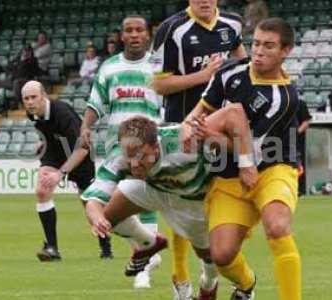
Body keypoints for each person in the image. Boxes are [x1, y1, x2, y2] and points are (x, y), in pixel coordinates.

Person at [184, 18, 301, 300]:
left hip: (273, 168)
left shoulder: (284, 98)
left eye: (269, 46)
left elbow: (250, 149)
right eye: (256, 43)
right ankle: (247, 284)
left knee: (277, 225)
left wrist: (208, 135)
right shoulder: (230, 72)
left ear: (286, 51)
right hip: (227, 175)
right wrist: (190, 128)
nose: (259, 51)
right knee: (221, 255)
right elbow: (199, 112)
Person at [88, 116, 253, 299]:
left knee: (208, 255)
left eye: (141, 156)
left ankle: (208, 283)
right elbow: (93, 200)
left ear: (156, 147)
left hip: (194, 201)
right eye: (129, 157)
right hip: (155, 190)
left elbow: (233, 116)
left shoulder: (185, 141)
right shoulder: (121, 156)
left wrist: (246, 164)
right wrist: (97, 218)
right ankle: (149, 243)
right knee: (108, 215)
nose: (134, 164)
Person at [151, 0, 247, 296]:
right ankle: (180, 277)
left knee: (213, 201)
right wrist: (204, 77)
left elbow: (243, 64)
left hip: (216, 128)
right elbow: (159, 85)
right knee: (180, 200)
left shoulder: (232, 24)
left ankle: (209, 270)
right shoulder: (171, 30)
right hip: (182, 127)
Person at [79, 15, 164, 288]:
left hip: (152, 146)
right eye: (129, 30)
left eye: (140, 29)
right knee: (108, 205)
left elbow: (170, 103)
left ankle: (143, 271)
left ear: (148, 34)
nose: (135, 34)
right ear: (122, 36)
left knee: (143, 199)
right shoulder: (108, 68)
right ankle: (148, 248)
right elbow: (96, 104)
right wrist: (85, 128)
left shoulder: (160, 66)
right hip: (117, 148)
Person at [21, 80, 99, 262]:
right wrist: (44, 144)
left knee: (90, 206)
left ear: (44, 96)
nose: (30, 102)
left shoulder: (63, 113)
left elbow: (83, 148)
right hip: (55, 152)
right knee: (42, 190)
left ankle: (105, 246)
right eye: (26, 98)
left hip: (80, 154)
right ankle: (52, 248)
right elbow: (49, 132)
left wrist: (60, 173)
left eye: (34, 97)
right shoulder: (32, 114)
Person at [296, 100, 312, 195]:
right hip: (281, 139)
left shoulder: (300, 103)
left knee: (299, 164)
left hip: (297, 140)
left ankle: (300, 190)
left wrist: (296, 132)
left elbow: (306, 121)